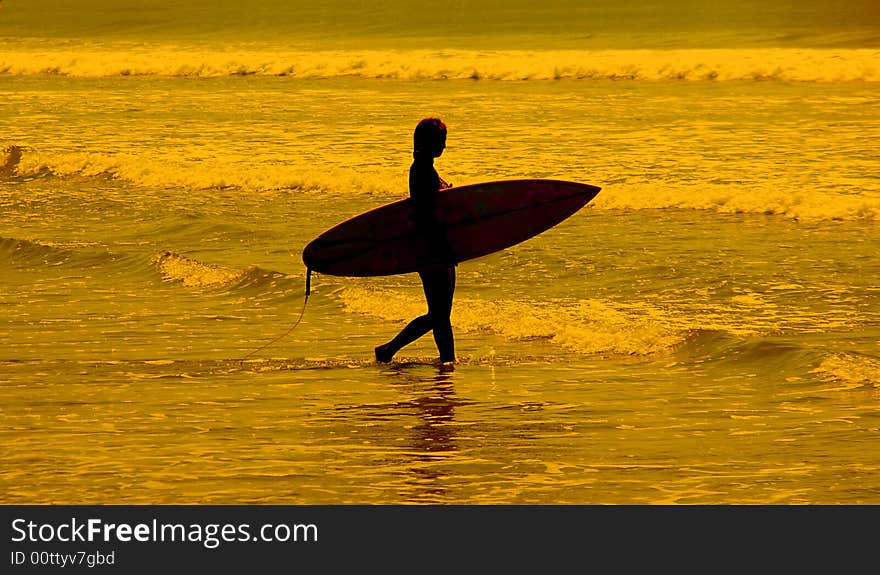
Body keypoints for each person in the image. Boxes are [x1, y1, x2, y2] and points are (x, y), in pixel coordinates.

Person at [375, 118, 457, 368]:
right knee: (440, 315)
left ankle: (446, 362)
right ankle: (392, 350)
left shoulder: (425, 167)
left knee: (440, 314)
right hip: (432, 250)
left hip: (436, 249)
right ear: (429, 142)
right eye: (441, 140)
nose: (444, 145)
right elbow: (426, 212)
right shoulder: (421, 169)